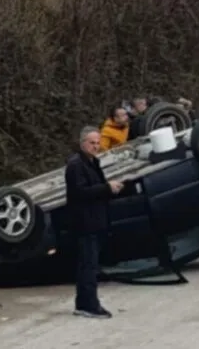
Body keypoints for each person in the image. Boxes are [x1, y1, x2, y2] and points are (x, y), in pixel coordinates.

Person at [65, 126, 124, 319]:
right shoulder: (76, 165)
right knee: (88, 266)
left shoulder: (93, 162)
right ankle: (89, 304)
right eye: (92, 143)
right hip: (84, 222)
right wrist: (106, 188)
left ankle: (84, 303)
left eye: (98, 143)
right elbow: (80, 192)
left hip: (95, 220)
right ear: (82, 143)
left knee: (89, 264)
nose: (96, 146)